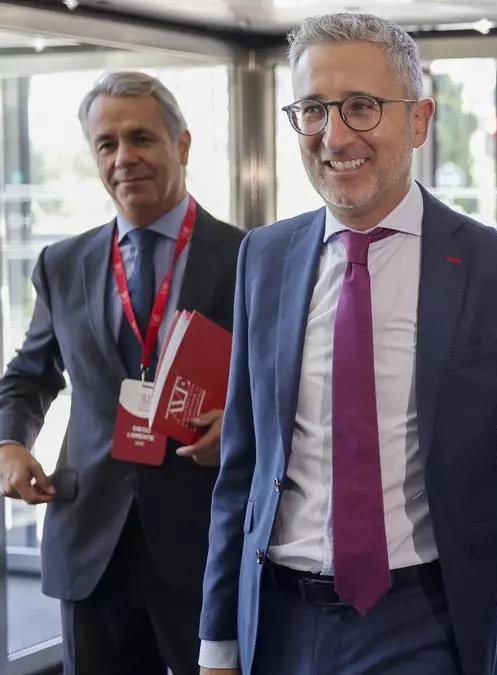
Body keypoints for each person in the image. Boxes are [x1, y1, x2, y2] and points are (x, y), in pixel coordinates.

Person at [198, 13, 497, 675]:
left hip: (423, 617)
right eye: (314, 110)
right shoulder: (261, 259)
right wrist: (216, 643)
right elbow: (239, 468)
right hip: (277, 619)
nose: (334, 135)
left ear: (418, 120)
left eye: (361, 107)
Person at [0, 71, 243, 675]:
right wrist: (9, 442)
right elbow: (31, 374)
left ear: (181, 145)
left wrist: (240, 426)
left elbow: (286, 383)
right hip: (90, 544)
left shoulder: (251, 256)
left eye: (141, 138)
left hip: (205, 541)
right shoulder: (64, 262)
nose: (123, 158)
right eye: (106, 144)